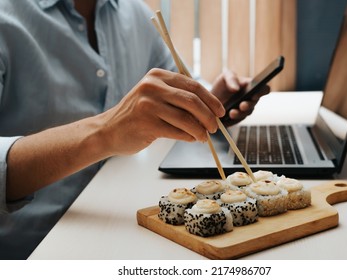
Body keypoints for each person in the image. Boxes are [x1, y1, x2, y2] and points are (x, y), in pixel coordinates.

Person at [0, 0, 269, 259]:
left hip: (122, 229)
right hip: (35, 251)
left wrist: (209, 102)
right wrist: (105, 132)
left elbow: (177, 84)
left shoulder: (134, 13)